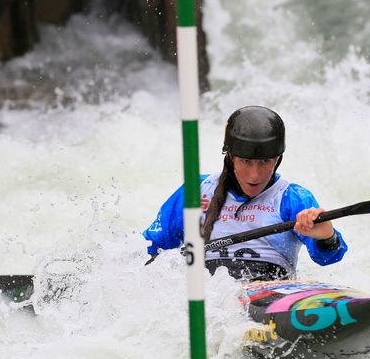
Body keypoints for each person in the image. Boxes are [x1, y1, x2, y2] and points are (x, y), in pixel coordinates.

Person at [143, 105, 347, 280]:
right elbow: (150, 249)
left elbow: (328, 257)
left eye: (265, 162)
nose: (255, 175)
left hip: (269, 289)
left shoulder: (292, 199)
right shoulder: (196, 191)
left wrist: (326, 236)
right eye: (245, 161)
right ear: (231, 157)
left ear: (277, 159)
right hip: (207, 290)